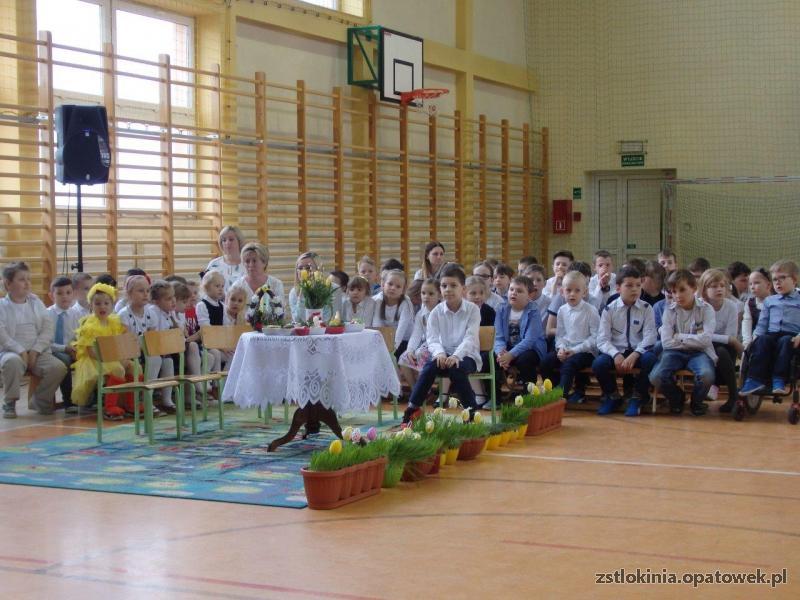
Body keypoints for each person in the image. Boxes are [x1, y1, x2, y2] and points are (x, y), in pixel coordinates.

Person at [402, 264, 482, 423]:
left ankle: (471, 413)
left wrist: (456, 356)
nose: (448, 289)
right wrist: (439, 353)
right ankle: (412, 408)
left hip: (467, 356)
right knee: (429, 368)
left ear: (463, 289)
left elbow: (470, 338)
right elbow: (432, 338)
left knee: (456, 368)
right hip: (443, 355)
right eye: (444, 286)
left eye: (453, 285)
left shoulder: (473, 310)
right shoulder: (436, 312)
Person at [0, 262, 68, 418]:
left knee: (58, 367)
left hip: (37, 351)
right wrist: (21, 351)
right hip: (11, 352)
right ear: (8, 284)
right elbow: (2, 335)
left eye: (28, 279)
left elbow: (47, 328)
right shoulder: (2, 306)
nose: (27, 283)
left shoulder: (36, 302)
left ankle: (39, 400)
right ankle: (9, 402)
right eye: (22, 279)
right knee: (12, 362)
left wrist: (36, 351)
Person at [593, 266, 658, 416]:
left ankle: (638, 396)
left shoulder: (647, 308)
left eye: (638, 285)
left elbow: (650, 337)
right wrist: (615, 354)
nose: (634, 289)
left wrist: (635, 354)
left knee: (651, 360)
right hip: (617, 352)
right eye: (629, 285)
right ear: (618, 288)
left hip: (638, 352)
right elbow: (602, 340)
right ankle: (612, 396)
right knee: (599, 364)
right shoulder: (609, 310)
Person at [649, 270, 716, 416]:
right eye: (673, 291)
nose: (678, 295)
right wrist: (691, 340)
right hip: (673, 352)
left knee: (706, 375)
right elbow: (666, 343)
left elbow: (705, 341)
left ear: (694, 288)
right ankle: (677, 398)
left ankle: (697, 402)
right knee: (656, 377)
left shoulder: (706, 309)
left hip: (699, 353)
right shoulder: (669, 311)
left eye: (682, 290)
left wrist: (678, 336)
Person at [740, 260, 800, 396]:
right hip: (772, 334)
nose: (778, 282)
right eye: (774, 280)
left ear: (794, 280)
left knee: (785, 341)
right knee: (762, 340)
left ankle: (779, 379)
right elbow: (762, 324)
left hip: (792, 336)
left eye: (782, 278)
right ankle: (754, 379)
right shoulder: (769, 301)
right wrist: (755, 338)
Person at [70, 282, 129, 419]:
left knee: (134, 366)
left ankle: (128, 404)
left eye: (106, 303)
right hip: (94, 359)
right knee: (118, 369)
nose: (102, 306)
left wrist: (123, 357)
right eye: (97, 304)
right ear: (91, 305)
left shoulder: (114, 322)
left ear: (112, 305)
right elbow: (91, 352)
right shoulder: (89, 325)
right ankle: (109, 407)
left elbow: (118, 344)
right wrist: (114, 359)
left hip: (110, 357)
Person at [540, 272, 599, 403]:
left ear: (584, 292)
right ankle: (552, 390)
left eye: (577, 290)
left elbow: (595, 338)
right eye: (568, 290)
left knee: (569, 364)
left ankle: (560, 396)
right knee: (546, 362)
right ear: (562, 292)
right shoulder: (562, 310)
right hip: (567, 349)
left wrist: (574, 351)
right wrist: (561, 348)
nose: (572, 294)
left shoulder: (591, 310)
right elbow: (560, 335)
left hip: (586, 352)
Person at [493, 275, 547, 398]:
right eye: (511, 289)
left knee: (525, 359)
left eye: (520, 291)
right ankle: (494, 396)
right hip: (508, 349)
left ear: (529, 296)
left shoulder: (533, 310)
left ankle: (528, 394)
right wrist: (501, 353)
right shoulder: (501, 309)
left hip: (531, 349)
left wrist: (510, 355)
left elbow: (530, 340)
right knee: (491, 358)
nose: (514, 293)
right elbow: (498, 336)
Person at [699, 269, 743, 412]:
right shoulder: (699, 305)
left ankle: (730, 394)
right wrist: (730, 339)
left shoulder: (731, 306)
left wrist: (730, 339)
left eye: (722, 286)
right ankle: (733, 394)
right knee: (720, 351)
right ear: (704, 289)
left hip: (724, 348)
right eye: (714, 286)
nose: (719, 289)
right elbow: (700, 334)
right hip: (701, 346)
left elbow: (731, 335)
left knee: (722, 351)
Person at [144, 281, 179, 414]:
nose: (173, 301)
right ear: (156, 301)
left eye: (173, 297)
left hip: (162, 351)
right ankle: (147, 400)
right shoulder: (153, 311)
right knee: (157, 360)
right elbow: (153, 335)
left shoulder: (167, 313)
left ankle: (167, 400)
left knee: (168, 361)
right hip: (149, 350)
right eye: (168, 298)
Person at [47, 276, 81, 413]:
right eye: (59, 293)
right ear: (51, 295)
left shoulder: (75, 314)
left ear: (73, 294)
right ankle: (69, 400)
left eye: (68, 292)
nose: (64, 297)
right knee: (65, 360)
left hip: (71, 349)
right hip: (53, 351)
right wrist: (65, 348)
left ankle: (90, 398)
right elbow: (46, 342)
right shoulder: (47, 315)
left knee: (90, 359)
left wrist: (77, 347)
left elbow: (79, 335)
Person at [398, 278, 441, 387]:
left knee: (420, 354)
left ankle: (425, 389)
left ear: (439, 295)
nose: (426, 296)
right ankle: (415, 389)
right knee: (404, 358)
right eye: (423, 293)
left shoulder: (442, 312)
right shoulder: (420, 314)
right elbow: (416, 335)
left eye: (431, 293)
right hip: (425, 345)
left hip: (440, 346)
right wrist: (410, 350)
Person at [371, 269, 414, 359]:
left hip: (405, 340)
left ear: (403, 290)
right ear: (383, 285)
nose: (393, 288)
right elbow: (377, 325)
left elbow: (401, 330)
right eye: (390, 284)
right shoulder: (377, 300)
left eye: (398, 286)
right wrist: (380, 345)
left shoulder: (406, 303)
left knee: (392, 358)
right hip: (386, 339)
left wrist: (392, 349)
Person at [233, 242, 285, 308]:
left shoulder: (276, 284)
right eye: (247, 261)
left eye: (254, 261)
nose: (251, 265)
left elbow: (281, 310)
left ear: (264, 262)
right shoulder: (237, 286)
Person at [205, 225, 247, 292]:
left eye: (231, 239)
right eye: (224, 240)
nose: (227, 243)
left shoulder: (247, 264)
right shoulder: (214, 264)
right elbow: (205, 289)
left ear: (239, 241)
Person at [741, 268, 773, 351]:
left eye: (756, 283)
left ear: (768, 285)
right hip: (755, 340)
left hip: (772, 339)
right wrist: (747, 342)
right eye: (750, 284)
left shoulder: (775, 302)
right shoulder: (749, 303)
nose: (752, 287)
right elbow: (746, 322)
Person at [522, 264, 549, 329]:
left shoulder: (550, 304)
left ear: (544, 284)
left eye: (538, 280)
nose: (534, 283)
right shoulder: (519, 302)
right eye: (530, 280)